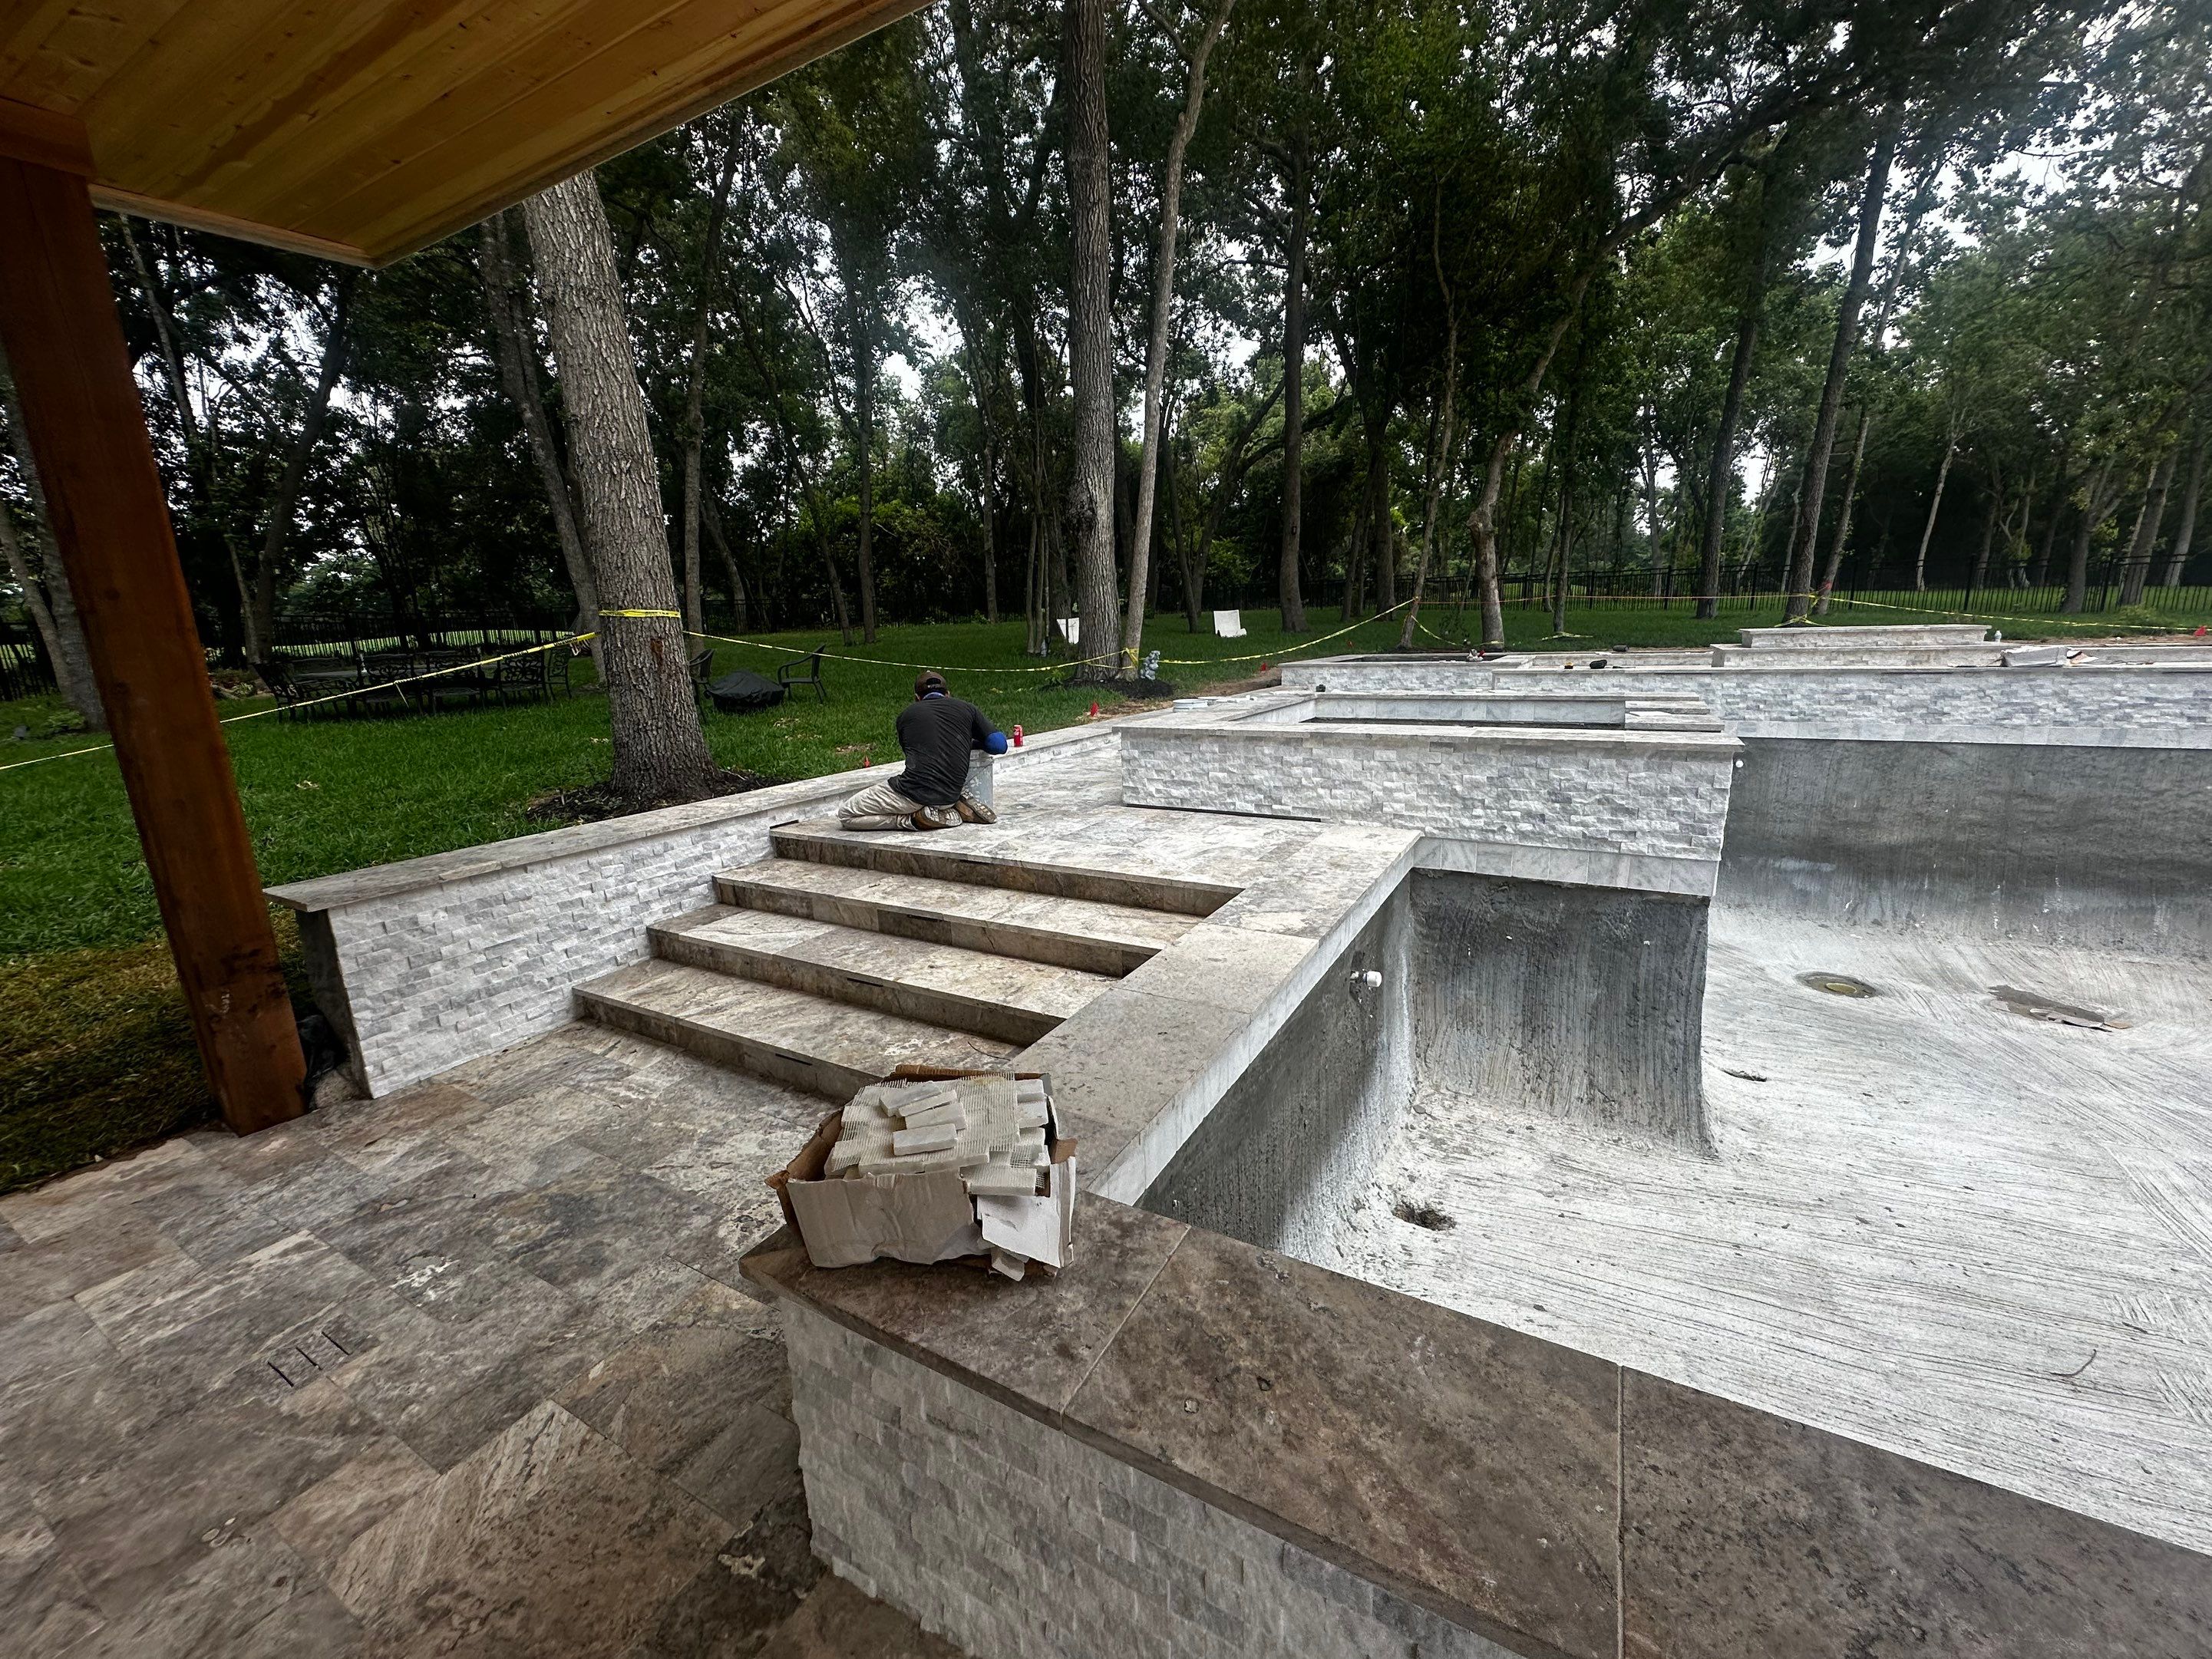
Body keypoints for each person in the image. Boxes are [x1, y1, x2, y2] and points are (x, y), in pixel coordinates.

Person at [837, 671, 1009, 830]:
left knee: (847, 814)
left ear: (917, 698)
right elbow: (999, 746)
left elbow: (915, 756)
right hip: (950, 792)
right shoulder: (967, 708)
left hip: (913, 795)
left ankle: (912, 820)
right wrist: (969, 743)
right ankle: (954, 804)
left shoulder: (906, 716)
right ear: (947, 694)